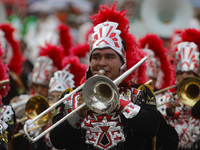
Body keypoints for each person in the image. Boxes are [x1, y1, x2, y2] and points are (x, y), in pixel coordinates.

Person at [50, 2, 160, 150]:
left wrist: (118, 102)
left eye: (109, 57)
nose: (101, 63)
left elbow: (151, 129)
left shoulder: (141, 92)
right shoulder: (70, 96)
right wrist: (78, 114)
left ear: (122, 62)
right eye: (96, 57)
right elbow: (57, 141)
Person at [157, 28, 200, 149]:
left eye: (190, 72)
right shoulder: (163, 100)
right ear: (175, 76)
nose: (184, 76)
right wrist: (169, 113)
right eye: (180, 73)